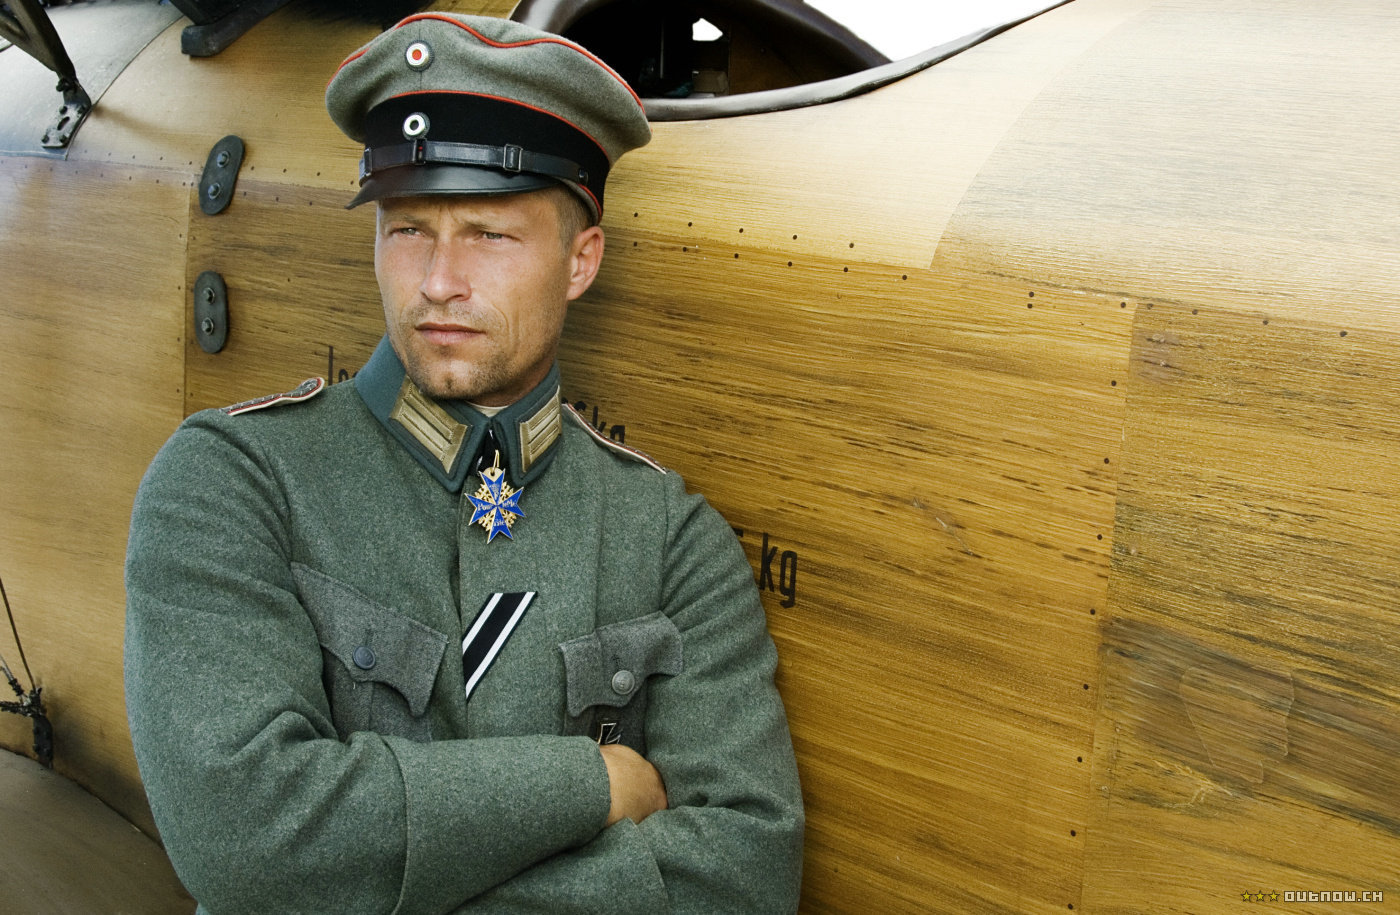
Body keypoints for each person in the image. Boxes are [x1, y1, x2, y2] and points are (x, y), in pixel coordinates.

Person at [124, 13, 803, 914]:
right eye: (408, 228)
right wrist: (592, 782)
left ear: (580, 261)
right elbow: (242, 838)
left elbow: (745, 874)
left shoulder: (672, 539)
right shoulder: (233, 480)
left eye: (488, 234)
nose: (438, 280)